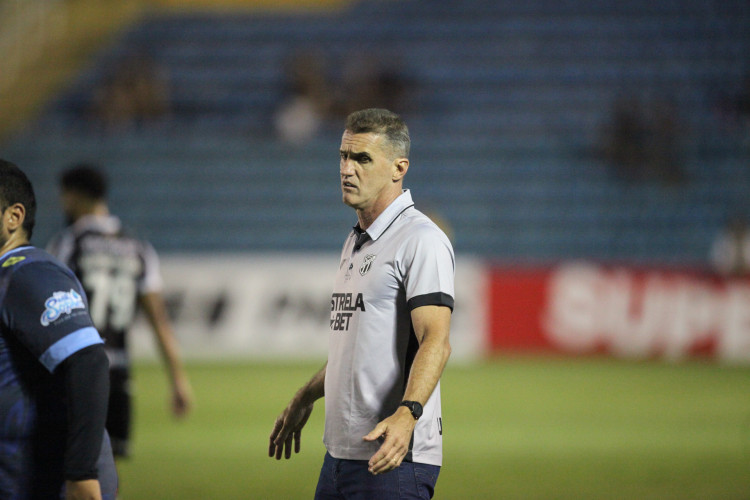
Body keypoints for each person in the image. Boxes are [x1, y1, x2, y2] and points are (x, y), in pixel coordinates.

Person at [269, 109, 454, 499]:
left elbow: (435, 340)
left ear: (398, 168)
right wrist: (307, 395)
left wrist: (408, 415)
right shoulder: (356, 240)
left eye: (362, 159)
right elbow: (354, 351)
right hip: (339, 456)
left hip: (393, 458)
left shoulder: (420, 239)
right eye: (343, 156)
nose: (347, 169)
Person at [47, 163, 193, 460]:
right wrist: (178, 379)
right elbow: (159, 322)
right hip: (118, 377)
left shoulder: (68, 244)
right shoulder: (137, 247)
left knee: (69, 469)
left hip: (76, 371)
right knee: (108, 473)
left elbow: (47, 313)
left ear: (74, 196)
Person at [0, 159, 118, 499]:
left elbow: (88, 362)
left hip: (41, 483)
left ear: (14, 216)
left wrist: (81, 476)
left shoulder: (27, 273)